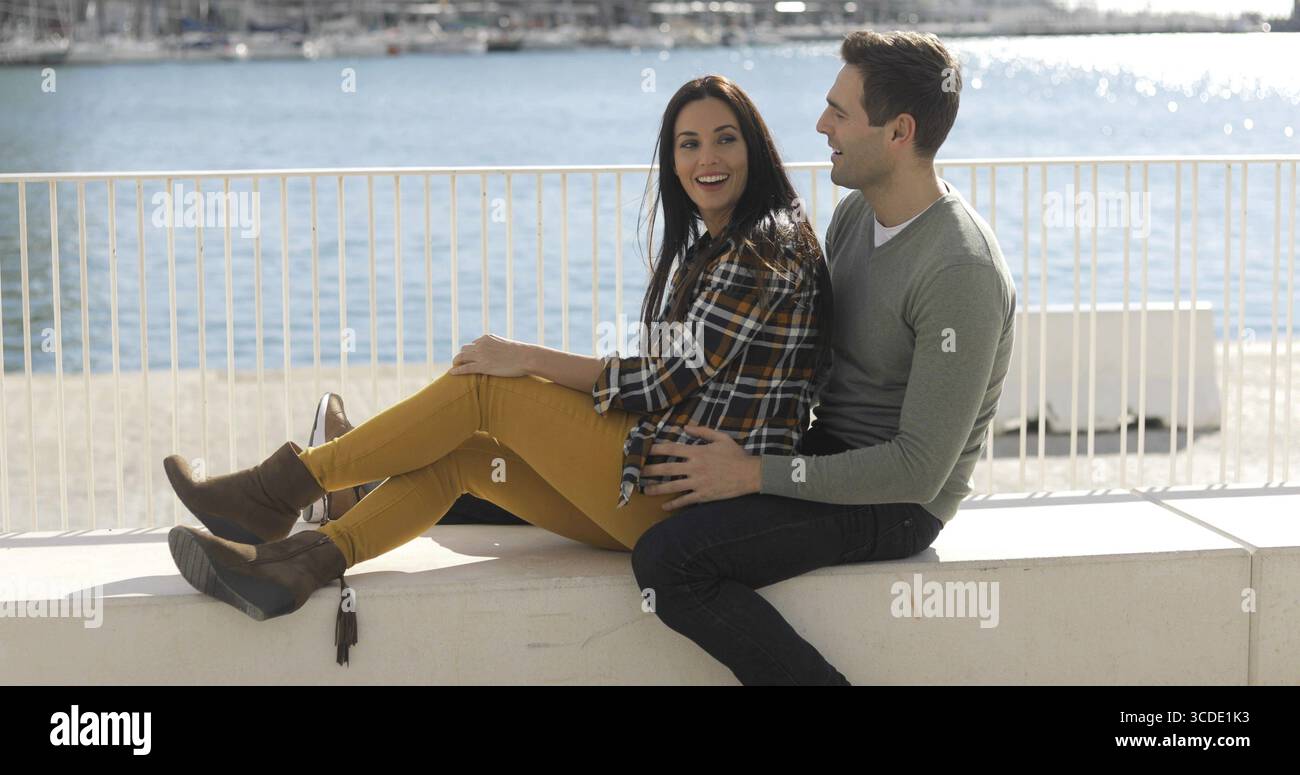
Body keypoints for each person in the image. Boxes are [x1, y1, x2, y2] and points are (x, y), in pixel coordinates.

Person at [162, 74, 835, 666]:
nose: (706, 158)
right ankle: (296, 567)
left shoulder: (762, 249)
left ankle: (275, 490)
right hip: (657, 492)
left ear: (755, 149)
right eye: (688, 144)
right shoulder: (723, 248)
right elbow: (668, 379)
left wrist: (525, 357)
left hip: (685, 504)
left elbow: (660, 382)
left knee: (486, 389)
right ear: (672, 160)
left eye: (725, 139)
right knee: (466, 458)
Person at [629, 30, 1018, 685]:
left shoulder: (959, 268)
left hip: (895, 505)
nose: (820, 125)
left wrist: (751, 474)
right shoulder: (853, 217)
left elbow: (918, 470)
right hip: (824, 452)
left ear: (898, 132)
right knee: (641, 467)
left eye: (840, 112)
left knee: (670, 561)